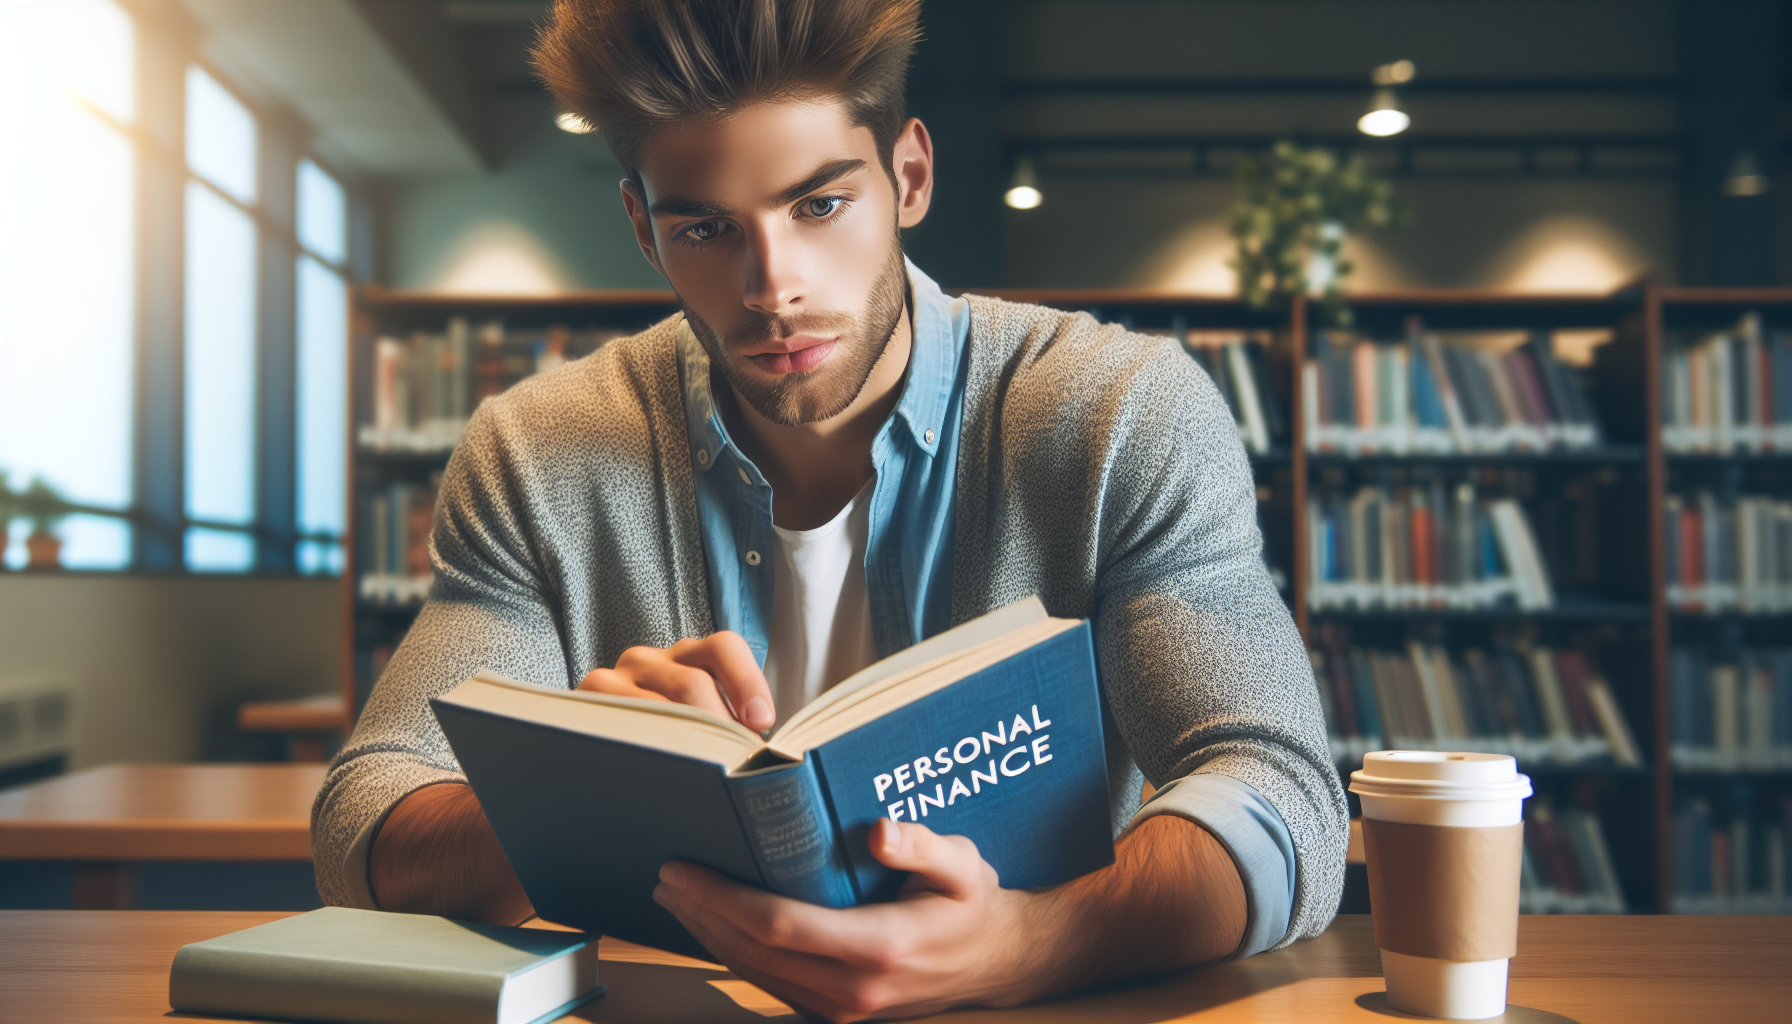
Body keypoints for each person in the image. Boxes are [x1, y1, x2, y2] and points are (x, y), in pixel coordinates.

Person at [312, 1, 1347, 1019]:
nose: (773, 288)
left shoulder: (1120, 414)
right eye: (707, 228)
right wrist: (583, 796)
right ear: (642, 228)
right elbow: (366, 819)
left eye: (819, 205)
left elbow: (1282, 795)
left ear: (908, 176)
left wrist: (1028, 943)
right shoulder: (535, 454)